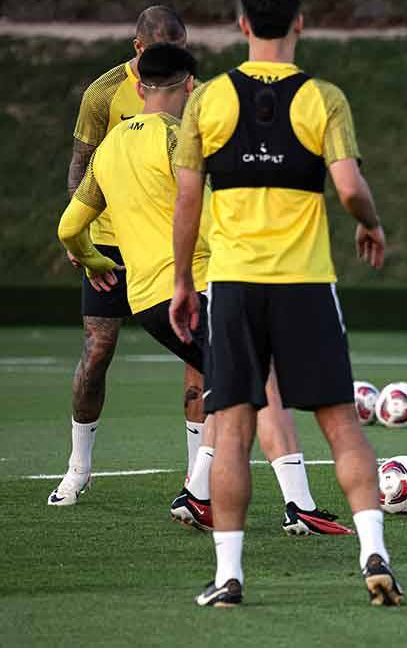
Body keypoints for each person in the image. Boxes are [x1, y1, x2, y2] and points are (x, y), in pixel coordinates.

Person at [56, 42, 352, 538]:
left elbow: (69, 226)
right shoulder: (179, 138)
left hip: (146, 300)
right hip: (198, 289)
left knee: (232, 386)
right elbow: (210, 212)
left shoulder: (107, 150)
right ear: (190, 85)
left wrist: (92, 258)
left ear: (139, 85)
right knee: (265, 379)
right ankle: (299, 505)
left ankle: (197, 493)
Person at [170, 0, 401, 607]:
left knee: (233, 429)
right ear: (300, 22)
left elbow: (188, 198)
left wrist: (184, 280)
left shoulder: (208, 100)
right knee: (341, 425)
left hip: (237, 285)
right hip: (305, 283)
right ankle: (372, 550)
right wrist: (370, 224)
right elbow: (350, 187)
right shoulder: (322, 97)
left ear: (242, 24)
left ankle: (229, 575)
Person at [48, 6, 198, 506]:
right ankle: (78, 468)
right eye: (167, 52)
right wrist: (83, 239)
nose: (178, 62)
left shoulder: (190, 88)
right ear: (139, 48)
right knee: (98, 351)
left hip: (169, 238)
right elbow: (80, 166)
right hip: (112, 242)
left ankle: (197, 477)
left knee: (198, 354)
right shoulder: (103, 93)